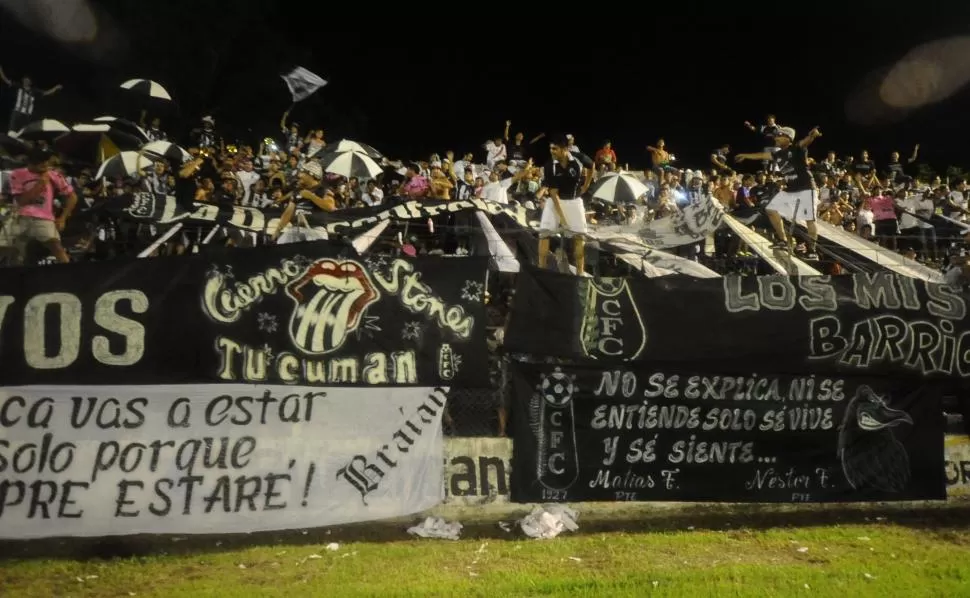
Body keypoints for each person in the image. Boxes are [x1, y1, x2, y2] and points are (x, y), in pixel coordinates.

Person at [736, 126, 823, 258]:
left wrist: (812, 135)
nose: (776, 138)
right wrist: (745, 155)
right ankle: (782, 240)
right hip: (791, 189)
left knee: (809, 220)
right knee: (771, 209)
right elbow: (761, 155)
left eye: (779, 135)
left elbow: (805, 141)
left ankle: (812, 251)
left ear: (788, 138)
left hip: (806, 187)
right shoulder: (778, 154)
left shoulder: (796, 149)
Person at [0, 148, 76, 265]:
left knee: (56, 246)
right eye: (41, 162)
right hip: (20, 216)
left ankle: (70, 274)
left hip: (43, 218)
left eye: (46, 161)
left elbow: (72, 197)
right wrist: (40, 184)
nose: (45, 165)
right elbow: (21, 201)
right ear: (31, 163)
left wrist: (63, 218)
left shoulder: (54, 175)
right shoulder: (18, 174)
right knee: (4, 246)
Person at [536, 134, 593, 275]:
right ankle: (541, 271)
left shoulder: (579, 158)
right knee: (544, 234)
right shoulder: (549, 166)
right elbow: (554, 195)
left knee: (579, 237)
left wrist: (586, 185)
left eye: (555, 149)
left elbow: (591, 165)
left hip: (574, 201)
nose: (551, 151)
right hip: (555, 201)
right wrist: (562, 219)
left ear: (564, 149)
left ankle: (580, 273)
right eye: (550, 148)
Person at [0, 66, 63, 135]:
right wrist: (1, 71)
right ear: (22, 80)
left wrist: (55, 88)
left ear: (30, 82)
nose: (26, 81)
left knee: (23, 132)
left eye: (27, 80)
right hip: (17, 112)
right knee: (11, 131)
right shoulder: (18, 86)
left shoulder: (34, 91)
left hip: (27, 115)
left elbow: (46, 93)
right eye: (25, 80)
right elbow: (6, 80)